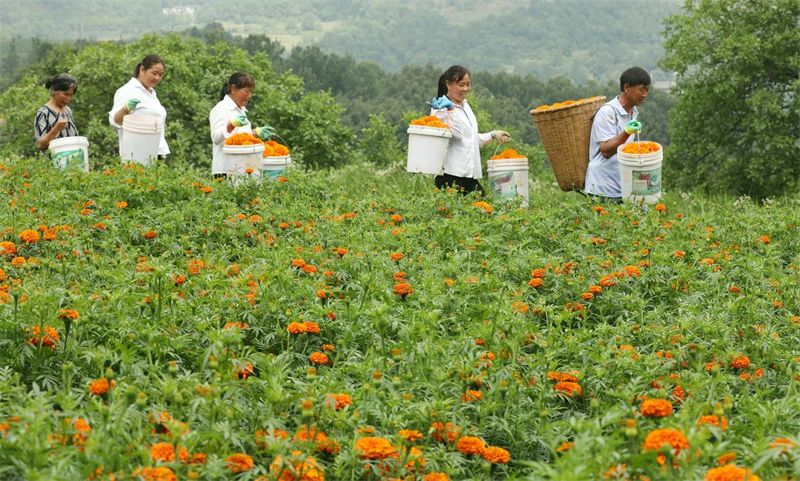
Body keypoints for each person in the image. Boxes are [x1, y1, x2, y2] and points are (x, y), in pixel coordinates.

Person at [428, 65, 511, 194]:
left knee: (484, 205)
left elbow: (470, 139)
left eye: (468, 84)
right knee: (456, 207)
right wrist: (451, 109)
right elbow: (457, 135)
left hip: (468, 176)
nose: (466, 89)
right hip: (449, 176)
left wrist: (493, 134)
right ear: (448, 84)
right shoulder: (440, 108)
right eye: (461, 85)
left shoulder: (465, 106)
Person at [584, 67, 650, 201]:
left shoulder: (633, 112)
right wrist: (627, 132)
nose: (645, 95)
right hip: (603, 188)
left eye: (647, 90)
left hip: (624, 186)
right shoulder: (607, 112)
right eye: (642, 90)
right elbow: (605, 151)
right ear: (626, 87)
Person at [209, 72, 274, 177]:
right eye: (247, 91)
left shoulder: (241, 110)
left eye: (251, 92)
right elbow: (216, 138)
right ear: (233, 89)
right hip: (226, 171)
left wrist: (255, 132)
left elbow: (239, 138)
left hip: (243, 168)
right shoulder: (221, 108)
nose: (249, 96)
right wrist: (231, 125)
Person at [109, 54, 169, 159]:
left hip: (157, 151)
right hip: (137, 153)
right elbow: (115, 121)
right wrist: (126, 109)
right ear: (142, 69)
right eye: (154, 73)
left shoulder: (152, 94)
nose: (157, 78)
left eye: (160, 75)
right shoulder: (128, 91)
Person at [35, 73, 79, 150]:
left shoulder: (68, 111)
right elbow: (40, 145)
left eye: (71, 95)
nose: (69, 99)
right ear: (55, 92)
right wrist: (56, 129)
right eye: (66, 94)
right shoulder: (43, 113)